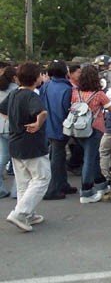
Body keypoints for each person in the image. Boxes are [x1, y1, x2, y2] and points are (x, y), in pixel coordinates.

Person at [0, 63, 50, 232]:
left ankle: (27, 214)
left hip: (15, 141)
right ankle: (20, 213)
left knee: (24, 182)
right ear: (36, 78)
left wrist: (13, 120)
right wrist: (38, 123)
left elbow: (2, 108)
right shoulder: (31, 96)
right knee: (42, 178)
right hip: (32, 143)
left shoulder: (14, 93)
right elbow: (42, 112)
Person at [73, 65, 111, 203]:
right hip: (94, 129)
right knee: (89, 159)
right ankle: (86, 192)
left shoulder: (76, 93)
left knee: (93, 158)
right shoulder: (99, 94)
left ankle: (101, 184)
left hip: (77, 129)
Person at [40, 60, 77, 200]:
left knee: (58, 156)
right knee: (56, 158)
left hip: (48, 125)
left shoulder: (46, 86)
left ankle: (62, 184)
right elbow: (67, 109)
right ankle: (52, 189)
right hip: (61, 126)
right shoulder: (67, 89)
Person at [0, 65, 18, 198]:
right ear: (14, 77)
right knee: (18, 160)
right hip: (12, 127)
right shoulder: (15, 90)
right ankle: (17, 191)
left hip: (0, 127)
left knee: (3, 157)